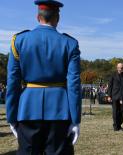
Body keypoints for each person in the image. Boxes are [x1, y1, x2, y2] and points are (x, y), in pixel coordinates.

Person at [6, 0, 81, 154]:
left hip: (27, 109)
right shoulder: (70, 43)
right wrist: (75, 119)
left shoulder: (19, 41)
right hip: (60, 109)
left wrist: (11, 116)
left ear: (37, 16)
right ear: (57, 17)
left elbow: (12, 82)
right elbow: (73, 84)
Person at [107, 63, 123, 131]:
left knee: (122, 112)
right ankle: (115, 126)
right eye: (120, 68)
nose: (121, 69)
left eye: (122, 68)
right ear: (117, 68)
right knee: (115, 112)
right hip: (114, 96)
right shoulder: (113, 75)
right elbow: (110, 86)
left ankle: (119, 125)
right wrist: (109, 96)